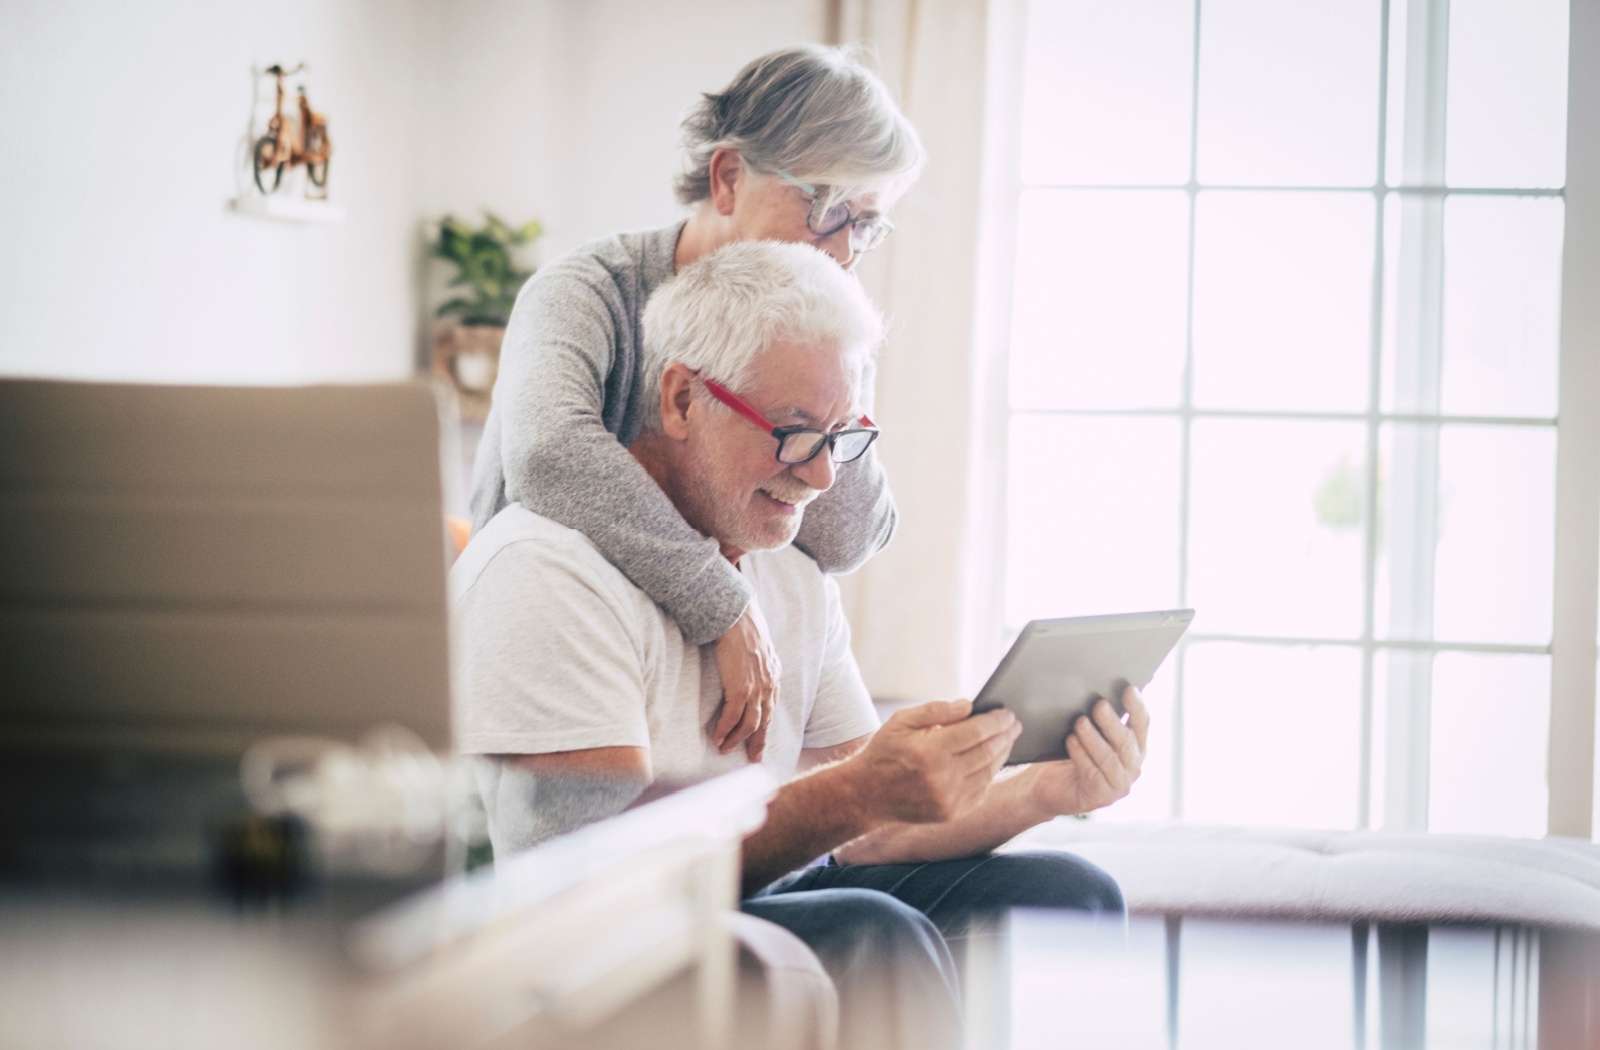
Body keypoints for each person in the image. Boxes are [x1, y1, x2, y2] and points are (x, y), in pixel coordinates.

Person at [453, 242, 1147, 1050]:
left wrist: (1046, 791)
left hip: (753, 898)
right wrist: (854, 792)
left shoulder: (790, 572)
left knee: (1072, 895)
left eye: (842, 437)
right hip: (597, 958)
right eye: (793, 433)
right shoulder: (547, 570)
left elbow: (875, 829)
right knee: (870, 930)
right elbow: (603, 884)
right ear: (680, 400)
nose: (821, 479)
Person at [469, 45, 922, 764]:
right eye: (828, 208)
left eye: (866, 223)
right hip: (556, 665)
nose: (845, 250)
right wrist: (723, 601)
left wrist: (831, 375)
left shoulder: (823, 314)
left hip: (697, 705)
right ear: (729, 177)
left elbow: (846, 537)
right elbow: (547, 454)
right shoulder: (586, 292)